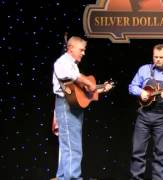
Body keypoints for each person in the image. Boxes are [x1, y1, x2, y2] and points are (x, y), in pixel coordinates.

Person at [52, 36, 112, 179]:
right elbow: (71, 76)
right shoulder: (63, 62)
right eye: (81, 50)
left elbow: (79, 91)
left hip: (73, 106)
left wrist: (100, 88)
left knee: (69, 146)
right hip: (66, 105)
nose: (83, 53)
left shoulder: (73, 64)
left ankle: (62, 177)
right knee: (73, 147)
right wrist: (88, 82)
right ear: (71, 48)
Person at [128, 43, 163, 180]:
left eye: (161, 57)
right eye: (155, 57)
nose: (157, 59)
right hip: (144, 116)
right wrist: (141, 92)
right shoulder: (144, 69)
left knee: (161, 154)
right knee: (137, 152)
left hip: (162, 118)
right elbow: (132, 86)